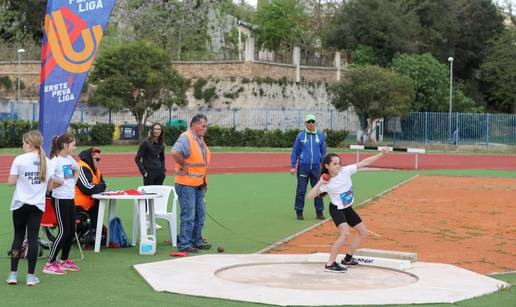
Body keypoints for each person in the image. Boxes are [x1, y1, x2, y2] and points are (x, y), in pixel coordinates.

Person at [307, 150, 387, 272]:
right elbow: (310, 196)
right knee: (345, 233)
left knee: (363, 232)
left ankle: (348, 259)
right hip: (336, 210)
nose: (338, 166)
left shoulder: (345, 171)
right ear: (327, 166)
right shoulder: (326, 183)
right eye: (334, 164)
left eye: (339, 163)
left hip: (347, 208)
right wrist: (320, 182)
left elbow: (364, 162)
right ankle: (330, 264)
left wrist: (381, 154)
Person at [7, 130, 54, 286]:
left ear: (29, 143)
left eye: (23, 142)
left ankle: (13, 275)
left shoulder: (19, 160)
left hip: (20, 204)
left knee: (18, 238)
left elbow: (11, 182)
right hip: (36, 206)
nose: (22, 145)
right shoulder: (47, 162)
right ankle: (30, 277)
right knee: (33, 239)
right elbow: (50, 187)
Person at [171, 114, 211, 253]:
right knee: (188, 215)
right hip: (186, 184)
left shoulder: (199, 139)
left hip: (198, 184)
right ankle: (184, 244)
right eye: (203, 126)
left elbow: (201, 164)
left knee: (200, 214)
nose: (205, 129)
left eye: (206, 126)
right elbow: (175, 152)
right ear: (194, 124)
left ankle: (196, 241)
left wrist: (204, 181)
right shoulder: (186, 137)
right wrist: (183, 165)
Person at [44, 134, 80, 275]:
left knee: (71, 230)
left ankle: (64, 260)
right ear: (65, 146)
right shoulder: (55, 161)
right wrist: (58, 184)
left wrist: (73, 183)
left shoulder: (69, 159)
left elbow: (76, 169)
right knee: (64, 230)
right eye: (73, 145)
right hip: (59, 199)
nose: (75, 147)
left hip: (70, 198)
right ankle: (50, 263)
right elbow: (48, 180)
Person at [290, 114, 327, 220]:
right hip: (303, 167)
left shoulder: (320, 136)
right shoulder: (300, 136)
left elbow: (323, 153)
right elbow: (295, 152)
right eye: (308, 122)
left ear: (315, 123)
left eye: (312, 122)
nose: (311, 124)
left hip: (316, 168)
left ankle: (319, 212)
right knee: (301, 190)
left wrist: (325, 168)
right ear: (305, 123)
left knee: (318, 190)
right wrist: (293, 166)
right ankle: (299, 212)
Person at [75, 147, 107, 240]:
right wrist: (101, 187)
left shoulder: (96, 171)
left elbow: (103, 184)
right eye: (97, 159)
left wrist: (101, 187)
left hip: (88, 203)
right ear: (89, 158)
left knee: (98, 204)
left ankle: (96, 231)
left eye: (99, 160)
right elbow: (87, 188)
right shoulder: (81, 167)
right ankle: (89, 231)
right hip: (76, 204)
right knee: (96, 204)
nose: (99, 162)